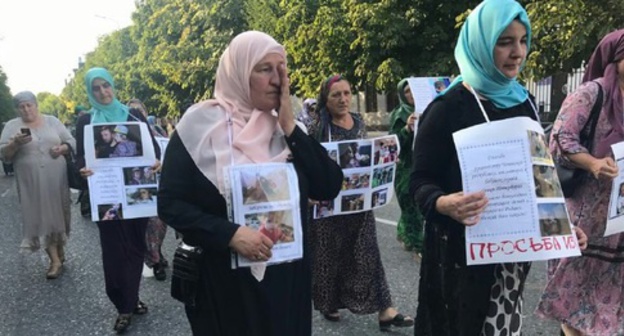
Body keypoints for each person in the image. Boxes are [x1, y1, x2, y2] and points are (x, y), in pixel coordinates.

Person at [409, 1, 588, 335]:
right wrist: (443, 203)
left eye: (522, 41)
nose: (517, 52)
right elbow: (419, 180)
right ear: (481, 43)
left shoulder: (523, 100)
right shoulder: (447, 108)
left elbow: (540, 177)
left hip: (509, 258)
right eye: (504, 41)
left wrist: (562, 229)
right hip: (460, 257)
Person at [157, 31, 343, 336]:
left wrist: (288, 126)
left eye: (281, 69)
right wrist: (230, 234)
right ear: (239, 72)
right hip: (225, 283)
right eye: (264, 69)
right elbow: (170, 204)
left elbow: (328, 185)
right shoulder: (198, 126)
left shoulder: (286, 130)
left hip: (287, 279)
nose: (277, 80)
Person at [307, 74, 414, 331]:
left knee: (368, 255)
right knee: (328, 256)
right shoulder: (317, 126)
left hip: (360, 205)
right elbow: (307, 163)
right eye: (336, 95)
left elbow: (370, 155)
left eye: (347, 93)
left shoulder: (358, 121)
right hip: (329, 207)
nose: (343, 99)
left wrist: (388, 158)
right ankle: (329, 301)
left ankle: (385, 310)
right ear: (326, 98)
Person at [536, 29, 624, 336]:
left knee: (607, 299)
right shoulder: (591, 92)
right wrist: (594, 163)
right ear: (615, 57)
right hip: (583, 214)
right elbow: (560, 137)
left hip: (617, 219)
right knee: (574, 297)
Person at [77, 67, 161, 334]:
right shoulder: (86, 121)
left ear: (113, 86)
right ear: (90, 92)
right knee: (115, 253)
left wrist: (157, 161)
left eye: (106, 86)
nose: (103, 92)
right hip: (108, 196)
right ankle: (122, 305)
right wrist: (82, 169)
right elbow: (80, 158)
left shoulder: (132, 115)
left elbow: (153, 148)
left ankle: (131, 298)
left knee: (136, 248)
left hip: (136, 195)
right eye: (96, 88)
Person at [0, 91, 75, 279]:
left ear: (36, 105)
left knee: (61, 213)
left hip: (56, 176)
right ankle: (54, 260)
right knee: (41, 215)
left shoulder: (52, 121)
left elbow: (71, 141)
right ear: (17, 109)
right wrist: (15, 143)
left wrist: (62, 148)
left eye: (29, 105)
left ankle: (59, 247)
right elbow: (4, 155)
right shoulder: (12, 126)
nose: (26, 110)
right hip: (30, 180)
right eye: (21, 107)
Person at [126, 98, 169, 281]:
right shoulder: (128, 137)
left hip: (164, 183)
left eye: (140, 111)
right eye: (133, 112)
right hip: (142, 185)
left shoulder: (157, 130)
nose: (138, 115)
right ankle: (156, 261)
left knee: (161, 223)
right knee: (152, 223)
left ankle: (156, 251)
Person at [389, 78, 425, 256]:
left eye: (413, 90)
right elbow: (392, 144)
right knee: (410, 206)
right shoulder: (399, 115)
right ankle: (418, 243)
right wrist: (406, 129)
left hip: (423, 165)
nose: (411, 95)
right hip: (406, 169)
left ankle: (406, 234)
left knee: (421, 207)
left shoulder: (427, 110)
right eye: (407, 92)